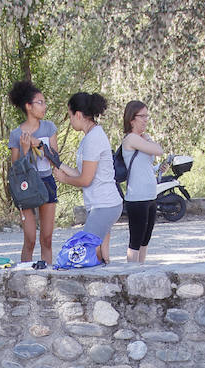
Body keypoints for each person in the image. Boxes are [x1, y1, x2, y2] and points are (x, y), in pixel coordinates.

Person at [52, 92, 123, 264]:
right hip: (100, 205)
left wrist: (63, 179)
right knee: (101, 257)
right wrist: (58, 164)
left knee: (81, 253)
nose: (70, 120)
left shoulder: (93, 139)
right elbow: (81, 172)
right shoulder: (89, 137)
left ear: (78, 114)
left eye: (70, 116)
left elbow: (85, 180)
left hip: (104, 205)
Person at [8, 80, 59, 265]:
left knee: (47, 239)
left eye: (44, 102)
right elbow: (16, 168)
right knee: (29, 239)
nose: (44, 106)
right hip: (25, 187)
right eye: (40, 102)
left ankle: (48, 276)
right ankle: (25, 277)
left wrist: (39, 145)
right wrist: (24, 149)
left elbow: (55, 159)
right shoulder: (15, 134)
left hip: (47, 183)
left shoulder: (49, 127)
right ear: (28, 106)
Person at [121, 101, 163, 263]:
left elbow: (147, 164)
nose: (145, 120)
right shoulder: (131, 138)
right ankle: (131, 274)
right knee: (136, 241)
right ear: (132, 119)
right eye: (142, 116)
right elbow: (158, 150)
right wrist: (148, 139)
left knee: (145, 240)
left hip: (150, 194)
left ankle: (141, 269)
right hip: (137, 197)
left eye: (147, 116)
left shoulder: (143, 139)